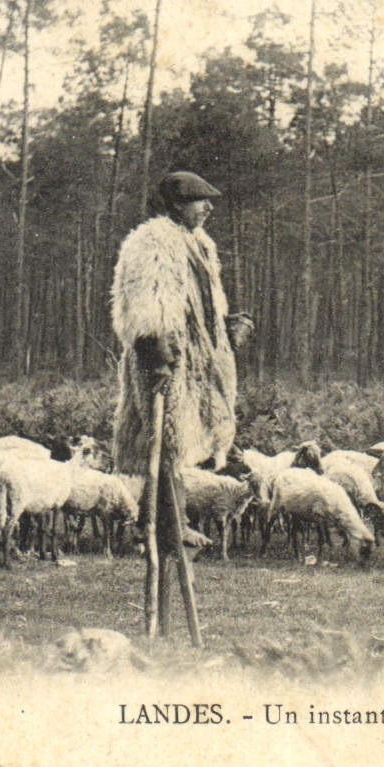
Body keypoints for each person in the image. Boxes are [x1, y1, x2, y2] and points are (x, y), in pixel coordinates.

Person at [111, 170, 253, 549]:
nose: (208, 208)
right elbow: (146, 301)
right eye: (199, 200)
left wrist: (225, 327)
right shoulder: (153, 242)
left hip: (197, 360)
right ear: (177, 204)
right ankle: (169, 525)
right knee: (167, 439)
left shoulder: (201, 244)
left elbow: (206, 302)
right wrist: (156, 352)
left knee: (185, 439)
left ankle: (158, 522)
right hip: (165, 357)